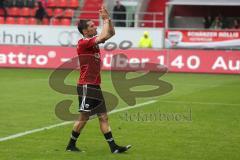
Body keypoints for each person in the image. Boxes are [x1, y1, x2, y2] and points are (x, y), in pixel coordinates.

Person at [65, 5, 131, 153]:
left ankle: (113, 148)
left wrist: (108, 19)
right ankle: (71, 145)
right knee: (84, 117)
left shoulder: (92, 41)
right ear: (85, 31)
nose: (95, 27)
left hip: (95, 85)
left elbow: (111, 33)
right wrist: (105, 19)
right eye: (92, 26)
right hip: (86, 85)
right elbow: (102, 36)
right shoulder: (84, 43)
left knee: (103, 117)